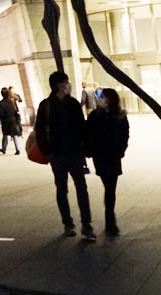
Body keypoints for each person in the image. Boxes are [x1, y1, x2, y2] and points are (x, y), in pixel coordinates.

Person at [34, 70, 96, 241]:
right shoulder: (46, 105)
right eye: (66, 82)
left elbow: (82, 127)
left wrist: (85, 148)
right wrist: (48, 152)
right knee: (62, 189)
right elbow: (39, 130)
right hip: (58, 155)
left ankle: (86, 224)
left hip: (75, 153)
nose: (68, 85)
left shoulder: (73, 103)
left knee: (81, 188)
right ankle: (67, 223)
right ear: (59, 85)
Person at [86, 88, 129, 236]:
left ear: (110, 100)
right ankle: (110, 219)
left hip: (113, 156)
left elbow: (125, 135)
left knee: (110, 188)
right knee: (109, 186)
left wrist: (121, 151)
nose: (100, 99)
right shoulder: (95, 116)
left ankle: (110, 219)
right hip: (101, 156)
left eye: (103, 97)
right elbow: (88, 134)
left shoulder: (120, 116)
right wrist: (90, 151)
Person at [0, 86, 22, 155]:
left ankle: (4, 149)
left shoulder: (1, 103)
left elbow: (0, 113)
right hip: (13, 120)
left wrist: (1, 119)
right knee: (15, 135)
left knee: (5, 135)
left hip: (5, 121)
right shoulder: (11, 101)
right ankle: (18, 149)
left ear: (2, 94)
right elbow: (14, 110)